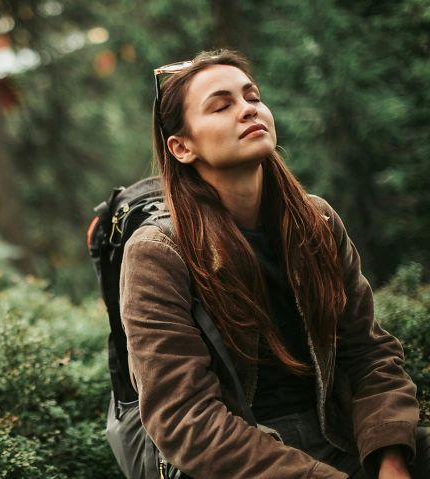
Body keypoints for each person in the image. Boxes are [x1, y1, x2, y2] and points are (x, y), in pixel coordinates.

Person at [119, 49, 429, 478]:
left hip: (340, 434)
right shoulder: (156, 253)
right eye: (222, 105)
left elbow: (369, 354)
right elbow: (185, 419)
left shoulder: (316, 220)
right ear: (182, 147)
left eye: (252, 97)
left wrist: (391, 458)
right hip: (239, 456)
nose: (247, 110)